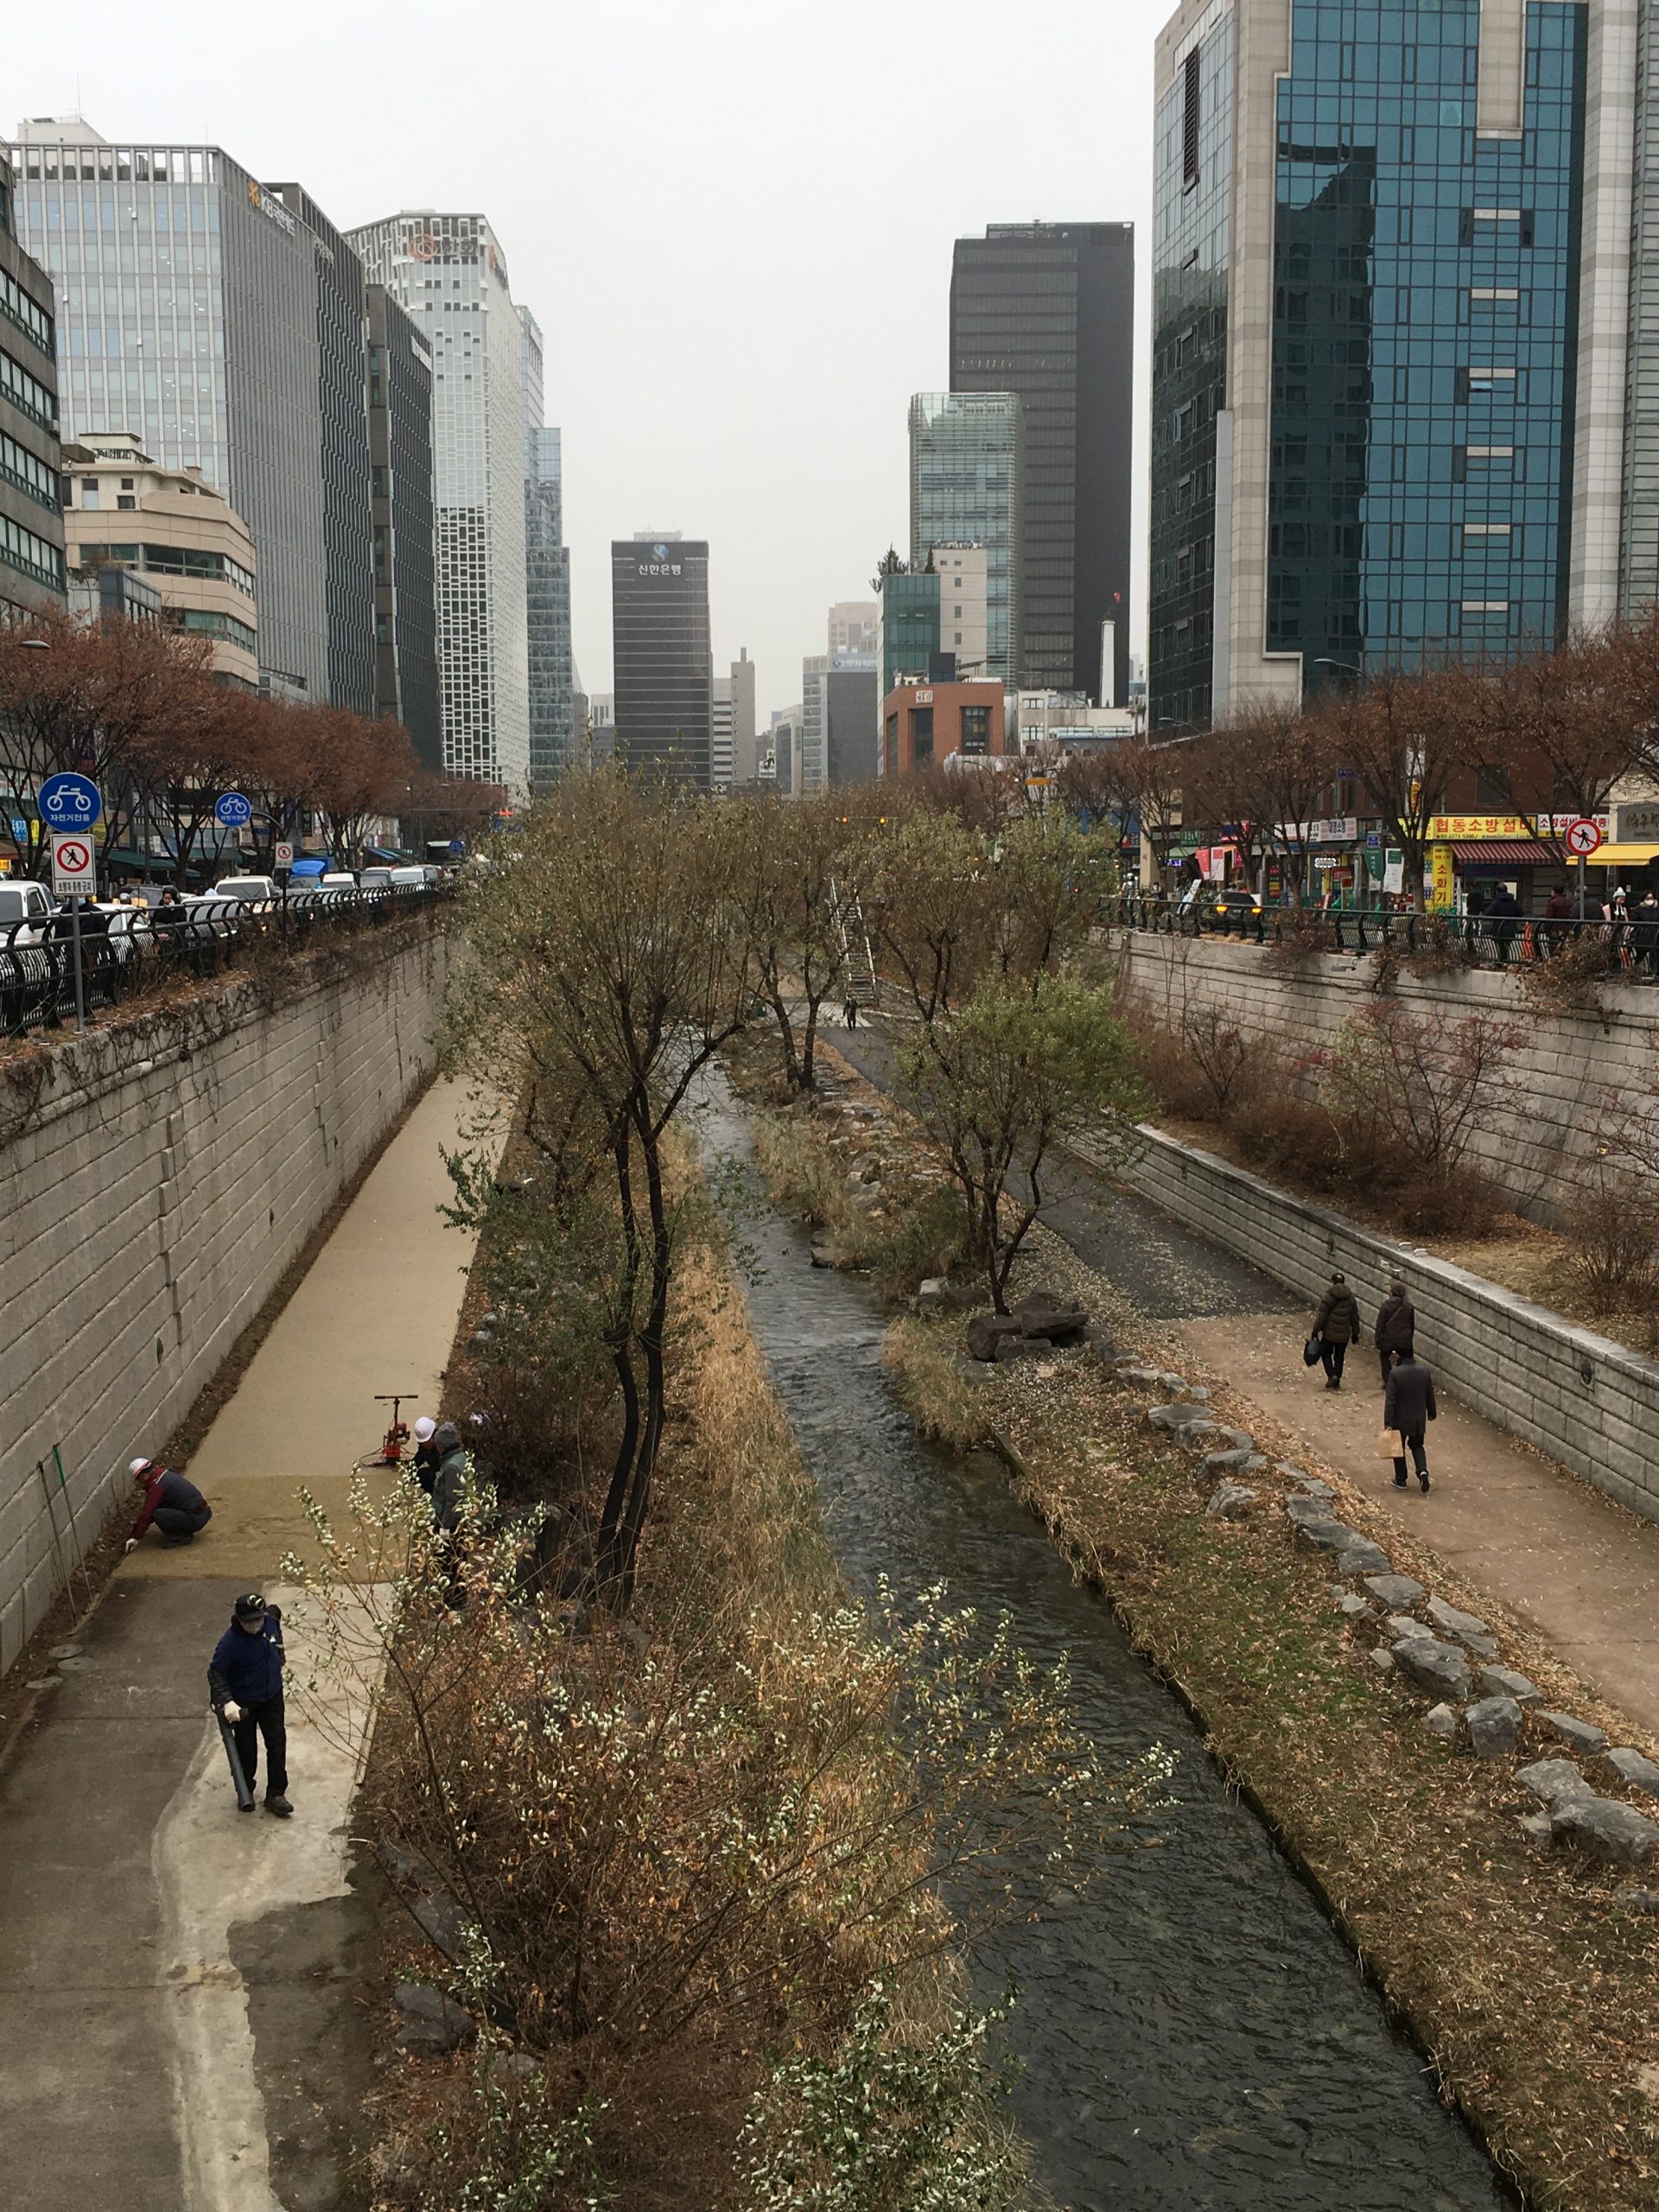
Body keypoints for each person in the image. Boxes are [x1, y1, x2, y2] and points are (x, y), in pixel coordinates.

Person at [207, 1592, 290, 1817]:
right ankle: (245, 1789)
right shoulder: (229, 1644)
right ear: (240, 1620)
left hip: (272, 1696)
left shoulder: (270, 1622)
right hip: (245, 1702)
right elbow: (215, 1673)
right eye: (250, 1621)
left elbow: (275, 1614)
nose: (255, 1624)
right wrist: (227, 1702)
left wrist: (280, 1653)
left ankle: (276, 1794)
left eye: (259, 1619)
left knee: (277, 1744)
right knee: (246, 1749)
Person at [125, 1456, 213, 1550]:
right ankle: (184, 1529)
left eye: (138, 1480)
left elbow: (148, 1512)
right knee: (158, 1507)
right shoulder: (162, 1473)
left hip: (195, 1519)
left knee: (157, 1514)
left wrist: (135, 1537)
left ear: (142, 1476)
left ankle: (181, 1538)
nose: (140, 1482)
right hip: (202, 1512)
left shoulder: (157, 1486)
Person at [1383, 1348, 1437, 1494]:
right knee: (1417, 1445)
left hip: (1399, 1419)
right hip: (1418, 1418)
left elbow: (1391, 1400)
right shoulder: (1424, 1372)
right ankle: (1422, 1471)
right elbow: (1429, 1395)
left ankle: (1401, 1479)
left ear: (1399, 1356)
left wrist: (1387, 1421)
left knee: (1397, 1448)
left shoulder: (1395, 1374)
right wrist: (1432, 1413)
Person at [1311, 1270, 1360, 1390]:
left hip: (1329, 1334)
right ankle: (1337, 1381)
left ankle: (1332, 1375)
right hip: (1344, 1335)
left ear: (1333, 1282)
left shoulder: (1329, 1297)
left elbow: (1322, 1317)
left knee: (1326, 1354)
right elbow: (1355, 1318)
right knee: (1339, 1357)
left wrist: (1315, 1331)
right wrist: (1355, 1334)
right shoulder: (1351, 1298)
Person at [1373, 1278, 1415, 1385]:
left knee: (1384, 1357)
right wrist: (1409, 1338)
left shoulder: (1386, 1306)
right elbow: (1411, 1324)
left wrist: (1377, 1339)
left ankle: (1388, 1381)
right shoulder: (1409, 1306)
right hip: (1404, 1339)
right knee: (1405, 1359)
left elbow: (1380, 1324)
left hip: (1389, 1338)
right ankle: (1403, 1380)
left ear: (1392, 1292)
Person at [1485, 882, 1520, 965]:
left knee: (1500, 945)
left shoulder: (1496, 902)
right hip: (1510, 927)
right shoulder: (1513, 901)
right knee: (1507, 944)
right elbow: (1520, 912)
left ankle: (1501, 960)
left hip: (1498, 927)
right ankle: (1506, 960)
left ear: (1496, 891)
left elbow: (1488, 912)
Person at [410, 1414, 440, 1495]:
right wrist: (409, 1470)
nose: (425, 1445)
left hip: (445, 1474)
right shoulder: (424, 1448)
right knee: (416, 1475)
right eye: (422, 1443)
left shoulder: (442, 1446)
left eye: (427, 1442)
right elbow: (418, 1459)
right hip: (435, 1471)